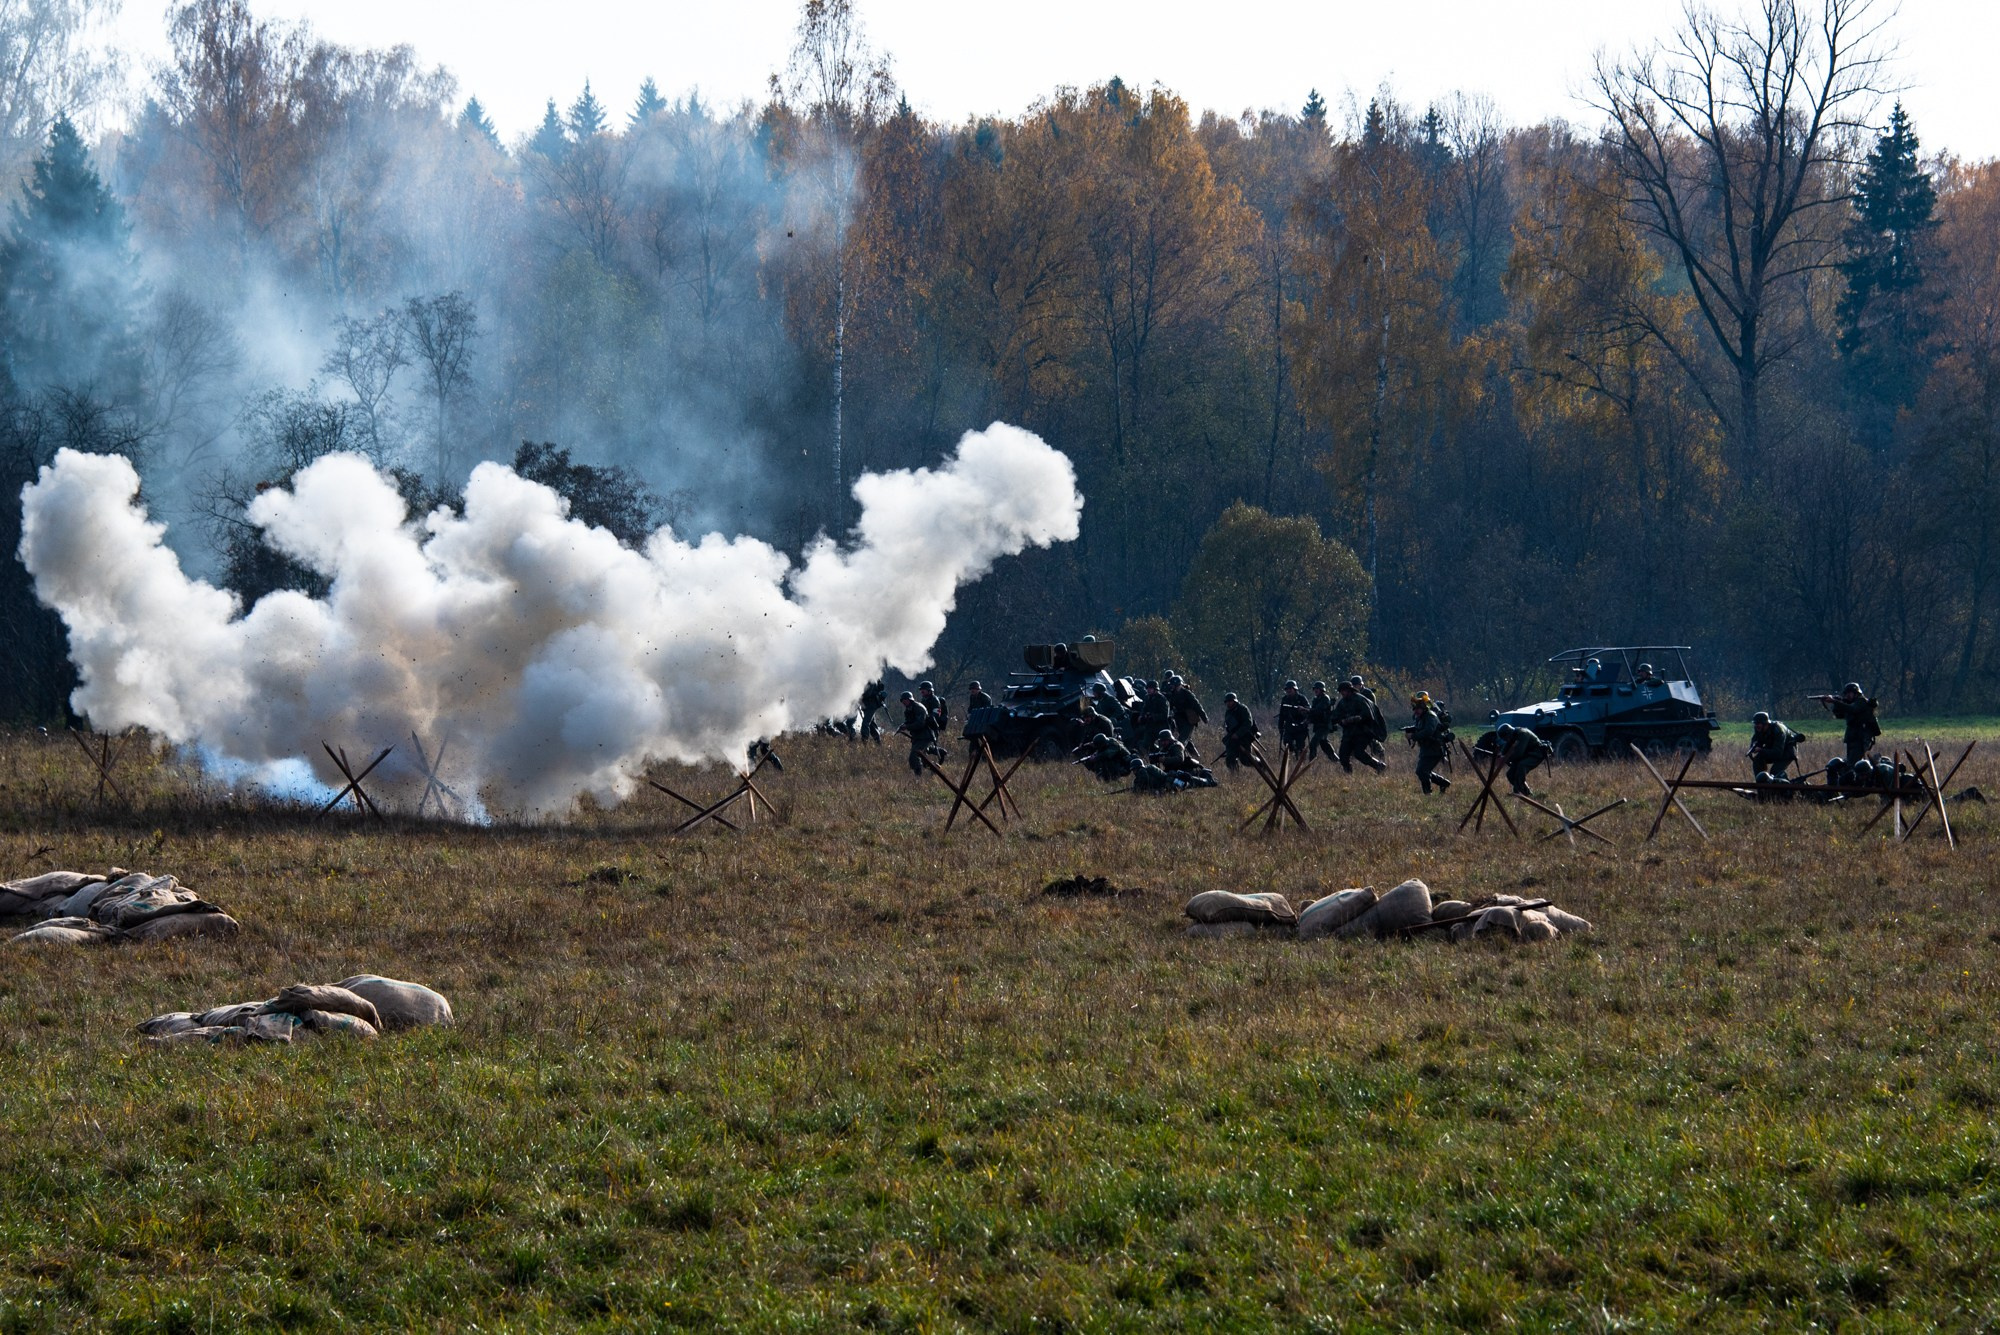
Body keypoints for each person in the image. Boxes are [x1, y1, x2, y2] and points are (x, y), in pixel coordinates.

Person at [1816, 682, 1881, 765]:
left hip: (1861, 739)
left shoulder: (1862, 701)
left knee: (1853, 764)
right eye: (1846, 694)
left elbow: (1853, 709)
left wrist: (1835, 701)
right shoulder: (1850, 703)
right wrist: (1836, 703)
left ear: (1856, 693)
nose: (1847, 696)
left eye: (1849, 694)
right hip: (1853, 738)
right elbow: (1839, 715)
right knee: (1850, 763)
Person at [1330, 681, 1388, 773]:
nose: (1342, 693)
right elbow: (1336, 717)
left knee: (1359, 753)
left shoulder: (1360, 700)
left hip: (1362, 732)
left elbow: (1368, 715)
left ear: (1349, 690)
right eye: (1341, 691)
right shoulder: (1342, 702)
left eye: (1343, 691)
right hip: (1348, 733)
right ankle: (1348, 775)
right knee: (1343, 755)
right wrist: (1342, 721)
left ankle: (1379, 766)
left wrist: (1355, 719)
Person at [1405, 692, 1452, 794]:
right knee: (1422, 771)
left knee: (1422, 771)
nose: (1415, 711)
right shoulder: (1421, 717)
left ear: (1423, 708)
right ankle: (1443, 783)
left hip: (1435, 749)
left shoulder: (1431, 716)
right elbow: (1419, 728)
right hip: (1427, 748)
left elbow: (1428, 731)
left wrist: (1413, 736)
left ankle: (1428, 793)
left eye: (1417, 709)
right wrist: (1410, 730)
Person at [1494, 723, 1549, 797]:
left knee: (1521, 766)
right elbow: (1507, 745)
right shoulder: (1512, 734)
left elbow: (1519, 753)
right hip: (1527, 754)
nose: (1506, 740)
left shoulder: (1523, 734)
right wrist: (1501, 754)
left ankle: (1520, 793)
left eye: (1506, 738)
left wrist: (1505, 758)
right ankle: (1526, 793)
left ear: (1508, 734)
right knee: (1510, 774)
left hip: (1537, 754)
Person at [1747, 711, 1803, 780]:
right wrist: (1752, 749)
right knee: (1758, 761)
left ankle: (1781, 788)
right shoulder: (1759, 729)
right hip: (1773, 749)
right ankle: (1762, 788)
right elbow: (1756, 741)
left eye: (1758, 723)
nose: (1756, 726)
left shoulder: (1778, 730)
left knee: (1775, 773)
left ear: (1765, 724)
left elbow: (1777, 753)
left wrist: (1761, 750)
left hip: (1787, 751)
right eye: (1755, 723)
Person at [1220, 692, 1259, 771]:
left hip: (1245, 736)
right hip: (1233, 738)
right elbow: (1229, 727)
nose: (1228, 703)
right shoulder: (1228, 712)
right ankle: (1235, 776)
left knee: (1246, 760)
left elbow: (1248, 723)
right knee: (1230, 757)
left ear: (1235, 701)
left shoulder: (1243, 709)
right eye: (1227, 702)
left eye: (1230, 701)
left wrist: (1238, 734)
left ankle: (1260, 764)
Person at [900, 691, 934, 775]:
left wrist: (907, 727)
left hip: (925, 736)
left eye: (905, 700)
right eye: (902, 700)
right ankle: (934, 769)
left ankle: (918, 777)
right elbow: (908, 721)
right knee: (922, 758)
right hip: (917, 737)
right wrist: (904, 725)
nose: (903, 702)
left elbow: (920, 723)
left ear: (909, 699)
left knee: (914, 756)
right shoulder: (908, 709)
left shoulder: (918, 708)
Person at [1166, 673, 1207, 743]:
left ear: (1177, 685)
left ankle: (1179, 752)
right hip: (1180, 719)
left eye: (1172, 685)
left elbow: (1197, 705)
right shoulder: (1172, 694)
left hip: (1189, 719)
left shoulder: (1187, 693)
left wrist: (1204, 717)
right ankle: (1194, 754)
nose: (1171, 687)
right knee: (1186, 740)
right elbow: (1170, 706)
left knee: (1182, 739)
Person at [1306, 682, 1339, 764]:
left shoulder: (1325, 698)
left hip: (1324, 726)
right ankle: (1336, 761)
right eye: (1315, 689)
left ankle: (1311, 764)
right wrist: (1308, 719)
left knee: (1313, 744)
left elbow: (1318, 711)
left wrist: (1307, 710)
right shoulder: (1315, 699)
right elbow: (1313, 713)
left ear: (1322, 690)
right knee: (1324, 745)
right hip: (1318, 726)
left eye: (1317, 689)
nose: (1316, 690)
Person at [1277, 680, 1310, 756]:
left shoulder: (1302, 698)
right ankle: (1292, 754)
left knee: (1300, 745)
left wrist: (1302, 710)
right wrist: (1280, 727)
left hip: (1301, 727)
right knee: (1287, 742)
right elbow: (1281, 715)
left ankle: (1299, 758)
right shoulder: (1284, 699)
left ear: (1295, 689)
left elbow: (1309, 711)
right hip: (1289, 727)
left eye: (1290, 689)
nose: (1288, 691)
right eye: (1287, 689)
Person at [858, 679, 886, 744]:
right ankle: (878, 742)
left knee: (865, 723)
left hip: (871, 705)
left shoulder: (872, 679)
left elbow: (867, 693)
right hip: (867, 704)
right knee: (872, 724)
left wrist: (857, 695)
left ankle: (864, 742)